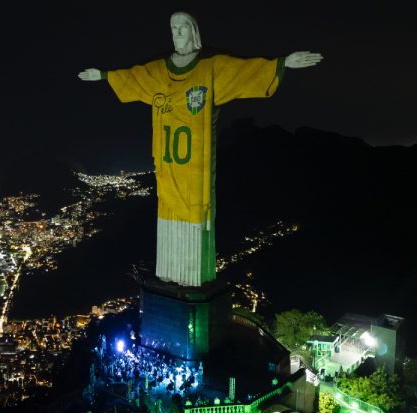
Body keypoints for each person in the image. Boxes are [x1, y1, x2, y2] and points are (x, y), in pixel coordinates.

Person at [79, 12, 322, 286]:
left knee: (197, 213)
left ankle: (194, 279)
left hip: (195, 165)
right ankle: (170, 278)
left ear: (193, 32)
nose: (177, 34)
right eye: (173, 28)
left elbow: (245, 71)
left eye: (182, 28)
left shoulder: (211, 68)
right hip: (168, 164)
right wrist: (102, 75)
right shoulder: (160, 71)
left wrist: (283, 63)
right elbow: (133, 77)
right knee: (167, 209)